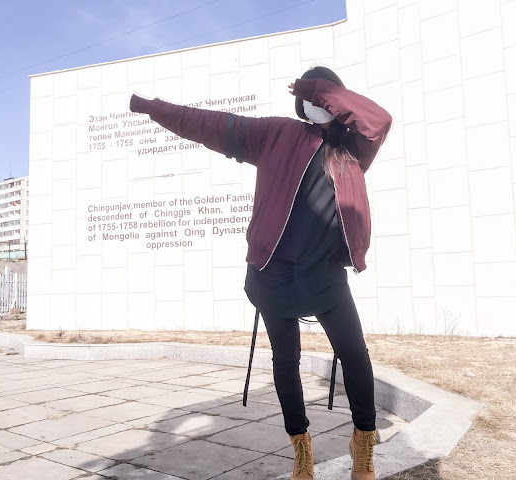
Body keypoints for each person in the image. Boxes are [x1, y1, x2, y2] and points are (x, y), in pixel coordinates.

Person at [129, 66, 392, 480]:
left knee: (355, 354)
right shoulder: (277, 134)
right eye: (309, 98)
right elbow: (209, 123)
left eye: (324, 96)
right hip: (274, 273)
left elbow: (378, 119)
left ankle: (363, 443)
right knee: (286, 360)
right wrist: (152, 107)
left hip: (325, 274)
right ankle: (301, 450)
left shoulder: (353, 147)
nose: (316, 103)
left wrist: (314, 87)